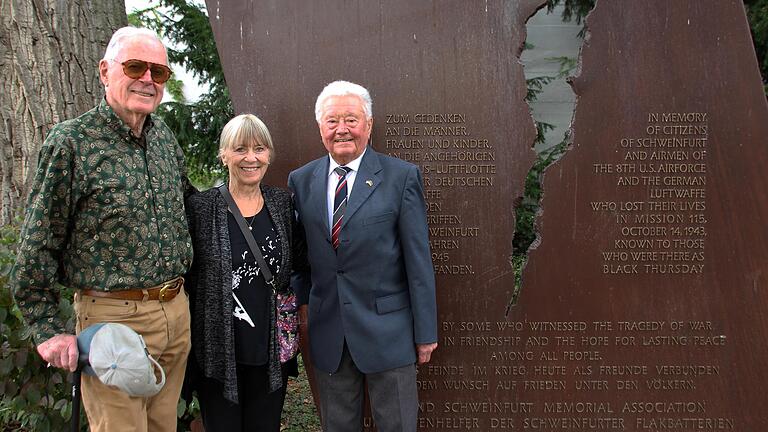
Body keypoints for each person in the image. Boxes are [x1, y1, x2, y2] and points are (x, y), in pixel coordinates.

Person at [10, 26, 193, 432]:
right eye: (135, 67)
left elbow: (190, 207)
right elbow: (39, 240)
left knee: (164, 426)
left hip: (175, 315)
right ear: (105, 71)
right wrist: (48, 329)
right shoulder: (71, 143)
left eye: (158, 72)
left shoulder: (162, 138)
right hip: (112, 321)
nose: (148, 79)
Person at [288, 80, 438, 432]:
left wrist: (425, 331)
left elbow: (418, 261)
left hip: (391, 333)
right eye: (332, 120)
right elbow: (300, 258)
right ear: (320, 127)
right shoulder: (301, 181)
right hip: (329, 335)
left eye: (351, 120)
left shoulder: (401, 177)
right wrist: (304, 309)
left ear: (368, 125)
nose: (342, 129)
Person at [184, 114, 301, 431]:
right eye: (240, 149)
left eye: (259, 149)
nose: (251, 157)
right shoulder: (201, 208)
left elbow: (297, 267)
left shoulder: (282, 204)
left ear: (268, 155)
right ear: (224, 154)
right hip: (218, 355)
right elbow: (189, 281)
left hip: (269, 352)